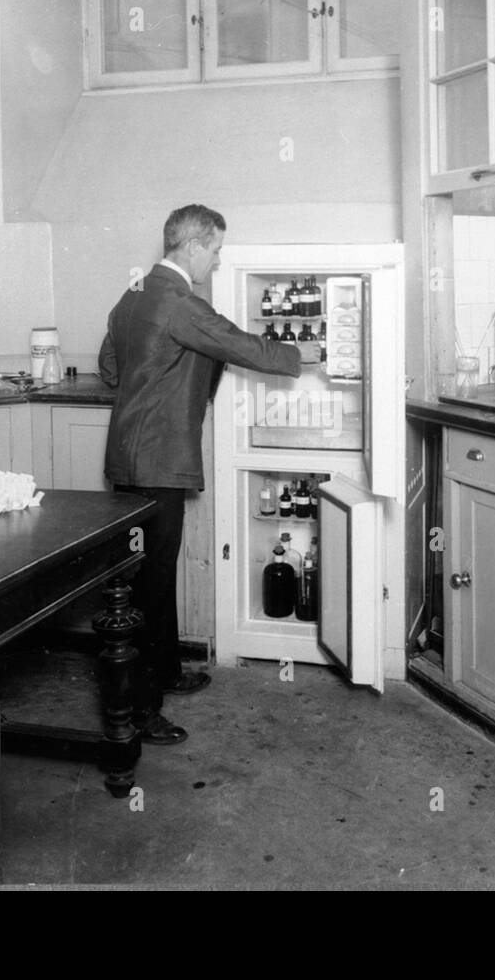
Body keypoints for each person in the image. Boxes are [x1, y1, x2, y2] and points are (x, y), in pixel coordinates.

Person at [98, 205, 301, 745]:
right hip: (157, 461)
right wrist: (310, 354)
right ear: (192, 245)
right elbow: (240, 344)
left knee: (152, 574)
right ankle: (141, 710)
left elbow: (110, 369)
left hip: (130, 456)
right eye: (215, 248)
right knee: (151, 583)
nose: (217, 258)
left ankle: (165, 672)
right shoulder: (179, 302)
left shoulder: (134, 296)